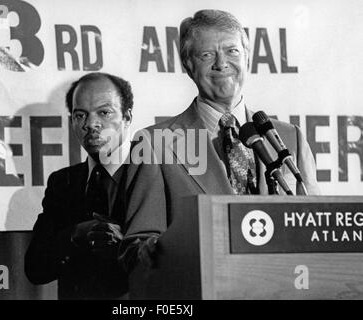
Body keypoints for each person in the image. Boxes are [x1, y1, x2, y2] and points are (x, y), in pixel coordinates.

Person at [119, 10, 320, 273]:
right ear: (188, 64)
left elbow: (316, 227)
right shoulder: (155, 144)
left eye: (232, 51)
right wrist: (154, 250)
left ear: (247, 58)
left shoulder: (289, 137)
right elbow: (137, 246)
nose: (221, 63)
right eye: (207, 55)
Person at [25, 72, 133, 299]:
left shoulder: (156, 175)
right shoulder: (62, 182)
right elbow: (35, 268)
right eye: (80, 115)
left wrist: (127, 247)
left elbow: (177, 259)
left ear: (127, 117)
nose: (91, 124)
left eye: (104, 113)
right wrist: (75, 234)